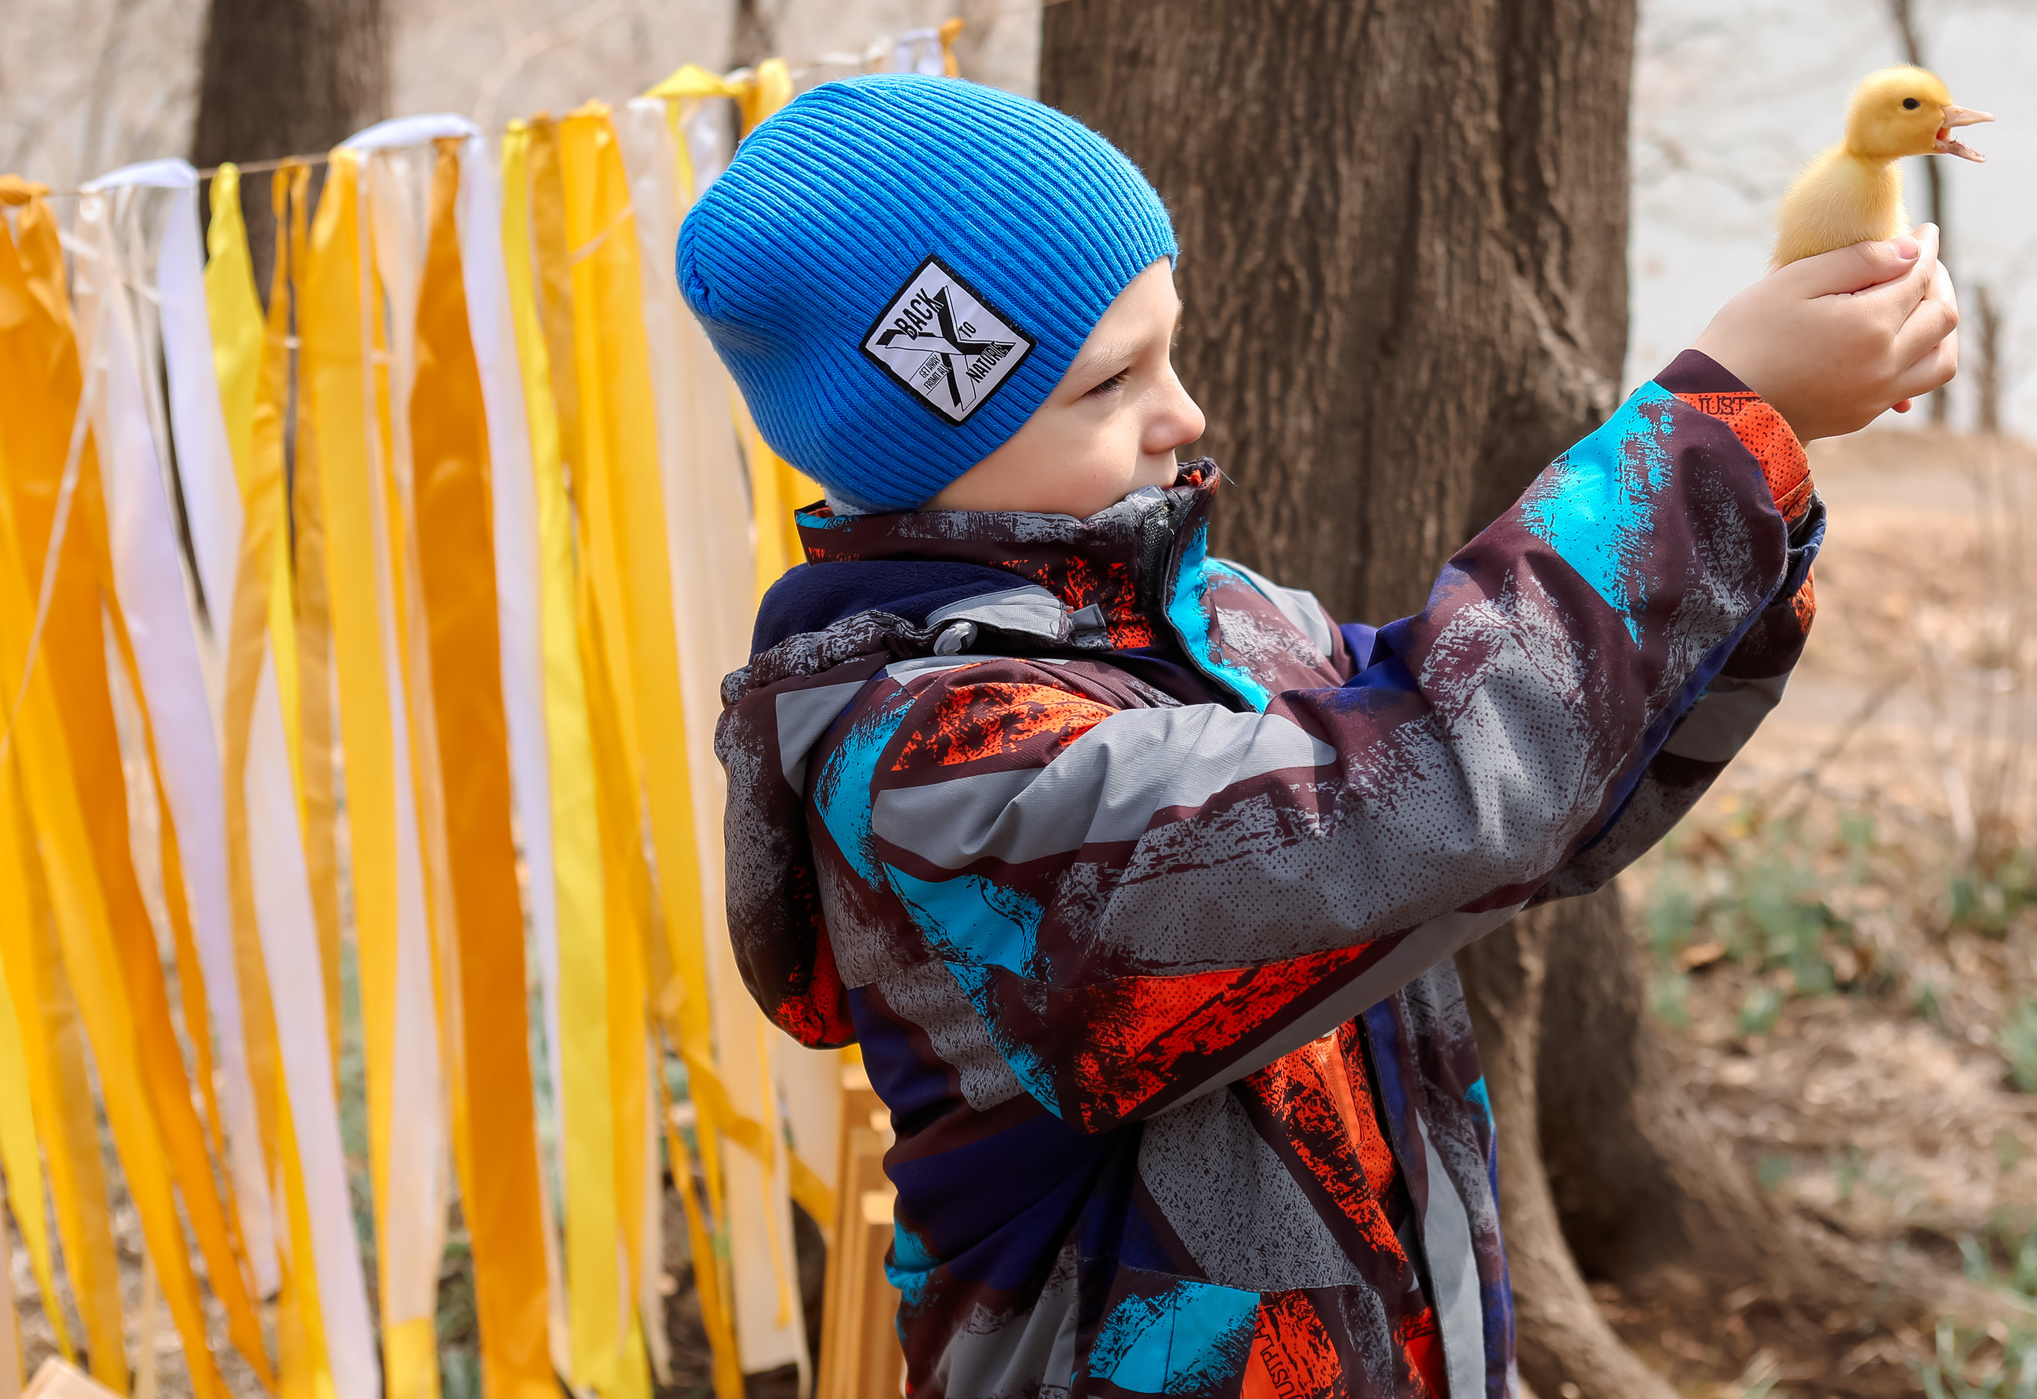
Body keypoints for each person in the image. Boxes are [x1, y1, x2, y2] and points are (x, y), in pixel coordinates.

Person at [677, 75, 1957, 1399]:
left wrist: (1758, 491)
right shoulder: (940, 773)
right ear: (932, 427)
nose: (1185, 415)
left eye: (1170, 350)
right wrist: (1712, 443)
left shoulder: (1228, 631)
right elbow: (1433, 791)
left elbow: (1543, 811)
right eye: (1111, 382)